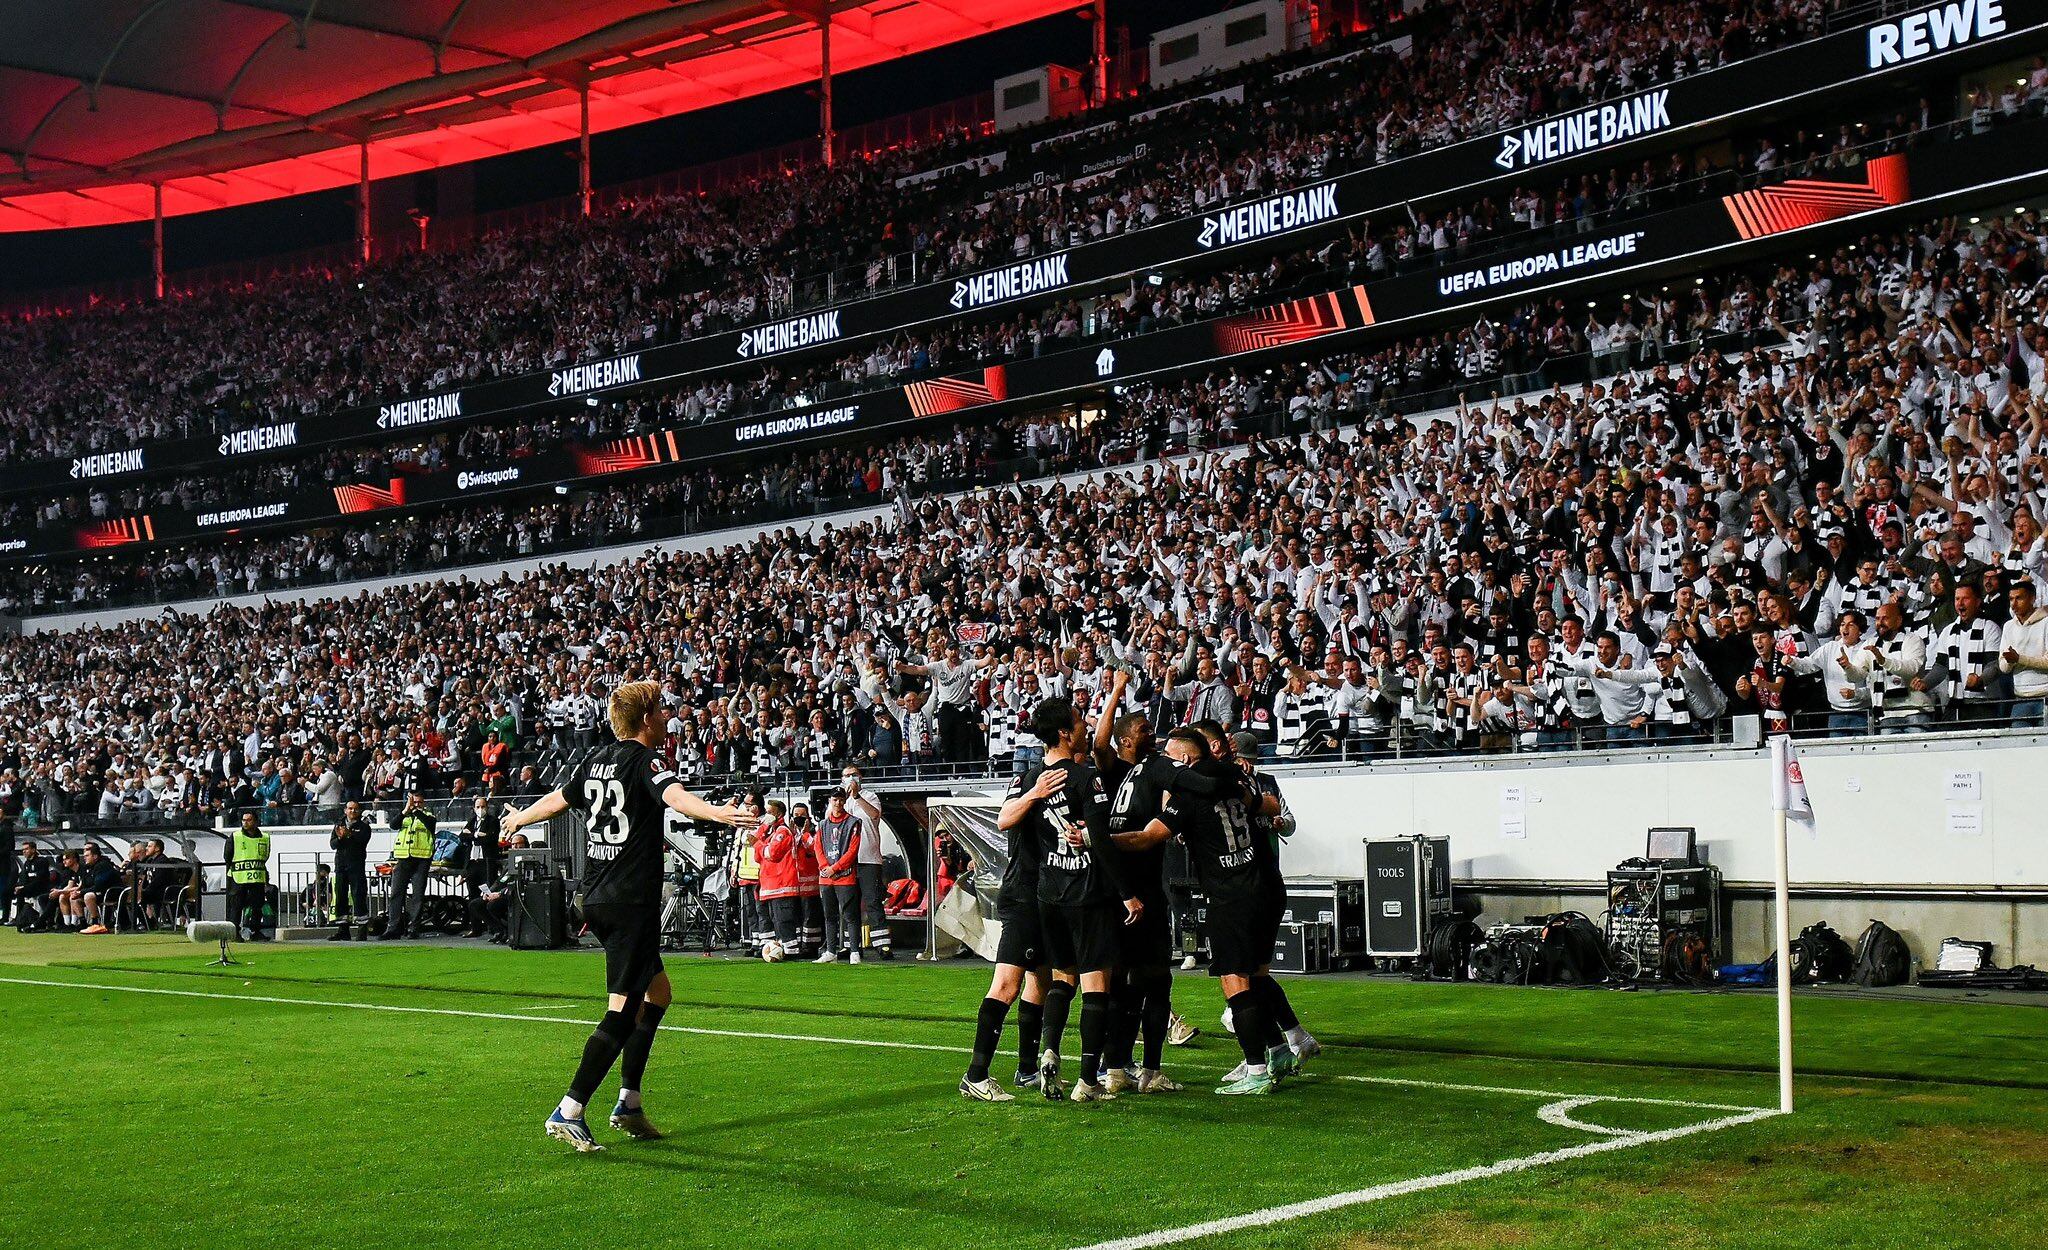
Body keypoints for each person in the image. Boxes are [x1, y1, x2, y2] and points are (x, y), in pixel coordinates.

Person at [501, 680, 755, 1152]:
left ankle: (630, 1101)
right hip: (629, 900)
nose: (666, 717)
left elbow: (558, 800)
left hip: (597, 895)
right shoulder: (645, 760)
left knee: (658, 992)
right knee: (623, 1010)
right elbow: (676, 797)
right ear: (645, 720)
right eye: (661, 710)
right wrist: (718, 814)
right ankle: (571, 1108)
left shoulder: (595, 758)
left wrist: (519, 819)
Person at [1027, 697, 1139, 1102]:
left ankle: (1050, 1049)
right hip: (1086, 895)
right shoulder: (1084, 778)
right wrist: (1127, 895)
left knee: (1062, 979)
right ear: (1063, 732)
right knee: (1096, 986)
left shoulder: (1030, 780)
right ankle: (1087, 1081)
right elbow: (1103, 844)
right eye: (1077, 720)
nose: (1084, 724)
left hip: (1048, 894)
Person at [1158, 727, 1279, 1094]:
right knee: (1255, 976)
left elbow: (1153, 834)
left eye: (1170, 756)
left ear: (1187, 759)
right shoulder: (1235, 777)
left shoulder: (1191, 793)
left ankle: (1257, 1067)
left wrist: (1098, 838)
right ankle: (1280, 1048)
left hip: (1229, 894)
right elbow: (1268, 805)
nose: (1165, 761)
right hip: (1259, 884)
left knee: (1234, 980)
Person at [842, 767, 891, 959]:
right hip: (846, 861)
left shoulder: (870, 796)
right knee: (849, 904)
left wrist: (856, 797)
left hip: (868, 858)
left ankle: (882, 945)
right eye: (846, 776)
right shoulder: (838, 800)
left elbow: (874, 815)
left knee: (873, 902)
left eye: (853, 775)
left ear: (860, 777)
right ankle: (851, 944)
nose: (850, 778)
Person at [814, 789, 864, 963]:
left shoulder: (854, 822)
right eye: (835, 800)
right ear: (830, 800)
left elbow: (853, 850)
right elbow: (818, 848)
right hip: (825, 877)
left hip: (845, 876)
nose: (838, 803)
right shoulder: (822, 825)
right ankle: (830, 950)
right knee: (829, 915)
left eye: (841, 800)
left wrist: (835, 868)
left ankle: (854, 951)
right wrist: (824, 867)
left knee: (850, 915)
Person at [379, 792, 436, 940]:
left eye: (418, 802)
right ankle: (393, 928)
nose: (415, 804)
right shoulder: (405, 816)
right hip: (403, 858)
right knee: (396, 893)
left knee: (418, 895)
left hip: (422, 859)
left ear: (423, 803)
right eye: (413, 802)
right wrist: (405, 811)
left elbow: (430, 825)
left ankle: (414, 928)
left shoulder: (429, 816)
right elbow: (393, 825)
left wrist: (415, 810)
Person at [461, 793, 505, 938]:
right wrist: (477, 835)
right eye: (478, 807)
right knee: (472, 895)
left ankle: (493, 928)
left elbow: (490, 839)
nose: (480, 809)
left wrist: (473, 836)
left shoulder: (493, 821)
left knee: (489, 893)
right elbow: (462, 837)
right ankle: (475, 928)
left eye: (483, 806)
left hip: (486, 862)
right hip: (472, 863)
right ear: (474, 808)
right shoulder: (471, 820)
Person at [329, 800, 373, 940]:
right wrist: (341, 837)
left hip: (356, 866)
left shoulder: (364, 826)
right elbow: (333, 844)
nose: (352, 811)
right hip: (341, 866)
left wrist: (349, 835)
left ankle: (362, 930)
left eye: (355, 809)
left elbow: (362, 841)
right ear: (345, 810)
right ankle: (343, 930)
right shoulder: (338, 825)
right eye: (350, 808)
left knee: (358, 896)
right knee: (340, 896)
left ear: (359, 811)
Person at [227, 811, 274, 942]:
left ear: (256, 821)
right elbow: (228, 856)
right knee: (236, 906)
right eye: (244, 820)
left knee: (257, 905)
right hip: (239, 877)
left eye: (249, 820)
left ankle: (255, 931)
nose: (246, 823)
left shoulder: (264, 837)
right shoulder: (235, 836)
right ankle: (234, 932)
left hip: (257, 877)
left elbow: (265, 855)